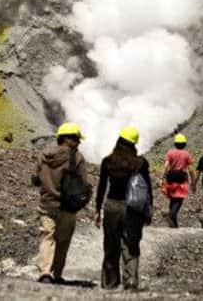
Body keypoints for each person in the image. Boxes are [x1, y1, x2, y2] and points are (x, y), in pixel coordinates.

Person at [31, 122, 91, 284]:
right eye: (77, 139)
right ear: (69, 139)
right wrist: (84, 200)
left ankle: (45, 271)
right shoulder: (77, 157)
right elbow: (85, 184)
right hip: (68, 207)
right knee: (63, 240)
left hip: (47, 204)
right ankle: (57, 274)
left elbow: (35, 179)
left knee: (47, 236)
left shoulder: (43, 155)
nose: (79, 143)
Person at [95, 126, 153, 290]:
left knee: (111, 246)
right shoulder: (141, 163)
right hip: (133, 208)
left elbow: (101, 187)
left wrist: (97, 210)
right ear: (134, 144)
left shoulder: (108, 161)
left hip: (112, 206)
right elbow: (147, 188)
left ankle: (109, 283)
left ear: (118, 141)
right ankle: (131, 281)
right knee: (131, 245)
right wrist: (149, 210)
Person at [161, 133, 194, 228]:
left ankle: (174, 224)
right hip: (181, 177)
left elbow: (166, 165)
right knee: (179, 199)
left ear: (175, 143)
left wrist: (162, 177)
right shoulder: (187, 154)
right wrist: (193, 181)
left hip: (170, 176)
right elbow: (191, 169)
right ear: (184, 144)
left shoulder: (170, 153)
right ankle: (171, 215)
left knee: (172, 198)